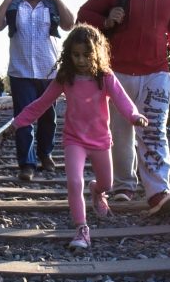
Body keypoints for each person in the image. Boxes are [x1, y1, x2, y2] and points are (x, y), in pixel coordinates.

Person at [76, 0, 170, 217]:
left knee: (153, 132)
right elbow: (82, 15)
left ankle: (157, 192)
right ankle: (124, 187)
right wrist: (105, 19)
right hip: (117, 74)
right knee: (120, 132)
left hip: (157, 75)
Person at [12, 24, 147, 249]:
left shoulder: (105, 77)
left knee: (107, 183)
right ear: (68, 55)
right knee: (74, 182)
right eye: (76, 55)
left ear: (96, 53)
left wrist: (134, 116)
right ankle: (81, 229)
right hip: (74, 140)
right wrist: (18, 123)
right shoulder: (66, 78)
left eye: (86, 55)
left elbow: (122, 100)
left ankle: (97, 191)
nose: (81, 60)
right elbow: (41, 104)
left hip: (101, 140)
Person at [0, 0, 74, 181]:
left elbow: (69, 24)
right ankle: (27, 164)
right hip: (21, 71)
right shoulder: (15, 6)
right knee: (23, 118)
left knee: (48, 118)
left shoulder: (50, 5)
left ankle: (45, 154)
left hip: (49, 71)